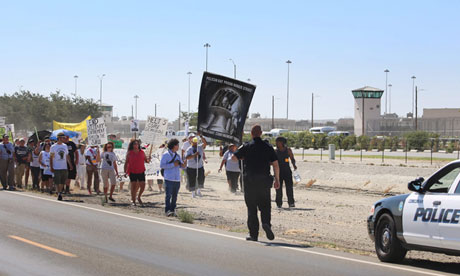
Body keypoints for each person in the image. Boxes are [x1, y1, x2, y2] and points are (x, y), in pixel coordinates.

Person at [233, 125, 280, 242]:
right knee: (265, 206)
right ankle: (266, 223)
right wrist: (277, 179)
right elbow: (275, 164)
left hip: (250, 182)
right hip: (264, 181)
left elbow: (234, 158)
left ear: (252, 134)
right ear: (261, 133)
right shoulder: (268, 146)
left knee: (252, 208)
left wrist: (242, 157)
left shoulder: (247, 146)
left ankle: (253, 234)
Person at [160, 139, 184, 216]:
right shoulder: (166, 155)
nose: (178, 147)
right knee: (168, 196)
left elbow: (182, 166)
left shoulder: (177, 155)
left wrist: (183, 164)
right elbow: (162, 165)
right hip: (169, 178)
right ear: (173, 146)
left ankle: (173, 210)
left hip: (177, 179)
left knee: (175, 196)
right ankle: (167, 210)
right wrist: (173, 164)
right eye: (177, 145)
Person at [124, 140, 150, 206]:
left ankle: (138, 197)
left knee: (143, 185)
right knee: (133, 186)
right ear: (132, 145)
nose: (136, 145)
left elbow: (146, 161)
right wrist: (125, 171)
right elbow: (126, 162)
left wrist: (148, 159)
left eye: (137, 144)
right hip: (132, 171)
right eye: (134, 144)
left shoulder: (142, 152)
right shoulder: (130, 153)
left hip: (141, 171)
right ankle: (133, 200)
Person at [275, 137, 297, 209]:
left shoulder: (288, 150)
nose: (276, 143)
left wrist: (294, 165)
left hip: (287, 171)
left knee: (289, 187)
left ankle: (291, 202)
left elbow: (292, 158)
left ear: (282, 142)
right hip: (279, 171)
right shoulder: (275, 151)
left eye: (278, 142)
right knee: (278, 188)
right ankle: (279, 203)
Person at [50, 132, 73, 201]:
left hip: (64, 166)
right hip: (56, 166)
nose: (64, 139)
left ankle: (60, 192)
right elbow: (51, 157)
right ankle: (59, 193)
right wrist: (51, 166)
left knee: (63, 181)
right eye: (63, 137)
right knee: (57, 181)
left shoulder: (65, 146)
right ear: (59, 138)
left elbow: (67, 155)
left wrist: (70, 164)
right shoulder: (53, 147)